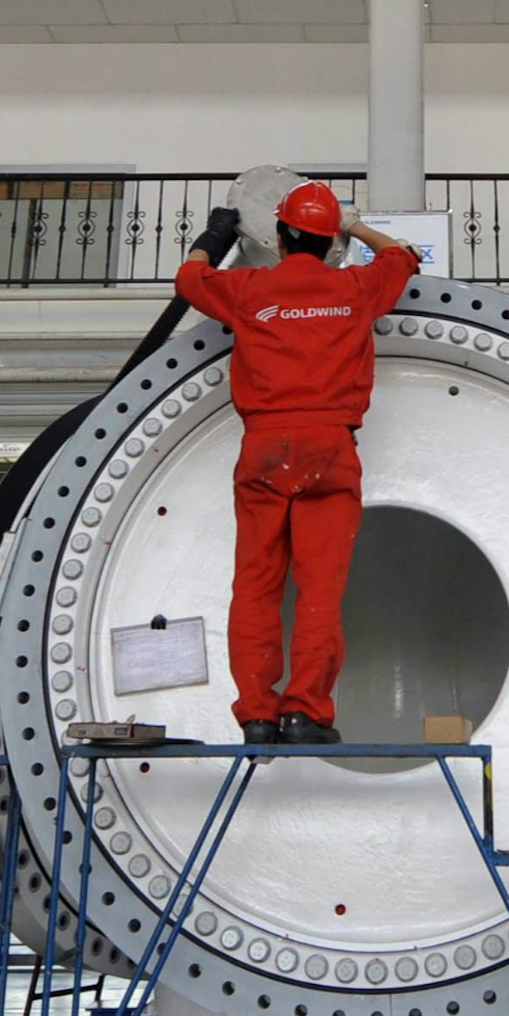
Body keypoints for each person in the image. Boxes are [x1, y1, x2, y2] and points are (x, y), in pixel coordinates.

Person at [177, 182, 420, 745]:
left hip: (263, 447)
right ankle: (305, 712)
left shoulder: (249, 289)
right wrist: (355, 226)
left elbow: (188, 280)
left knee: (256, 584)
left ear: (280, 235)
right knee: (318, 589)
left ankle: (258, 715)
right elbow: (403, 256)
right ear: (327, 240)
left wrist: (214, 237)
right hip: (329, 450)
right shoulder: (356, 286)